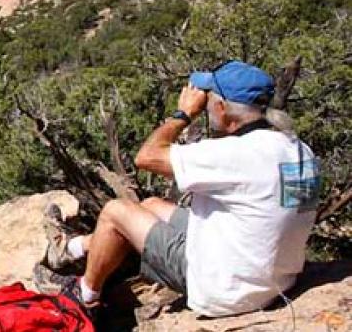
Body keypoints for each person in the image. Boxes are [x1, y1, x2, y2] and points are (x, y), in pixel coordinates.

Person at [42, 60, 320, 318]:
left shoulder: (234, 153)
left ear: (222, 108)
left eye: (209, 99)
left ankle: (86, 295)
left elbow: (146, 157)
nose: (205, 104)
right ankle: (72, 249)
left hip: (223, 289)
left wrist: (184, 114)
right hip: (274, 278)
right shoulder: (295, 148)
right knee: (150, 205)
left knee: (116, 211)